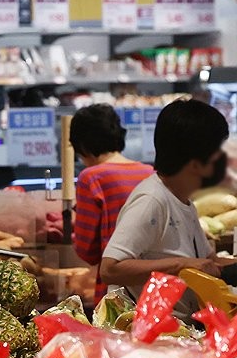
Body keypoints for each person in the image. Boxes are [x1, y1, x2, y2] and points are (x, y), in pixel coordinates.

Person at [101, 99, 232, 317]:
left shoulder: (183, 201)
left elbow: (208, 262)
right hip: (145, 334)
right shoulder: (152, 200)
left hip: (177, 331)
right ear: (196, 163)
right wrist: (180, 265)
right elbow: (110, 269)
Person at [68, 104, 154, 305]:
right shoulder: (149, 173)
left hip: (116, 294)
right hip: (154, 288)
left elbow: (86, 250)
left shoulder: (92, 178)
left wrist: (75, 223)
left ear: (82, 145)